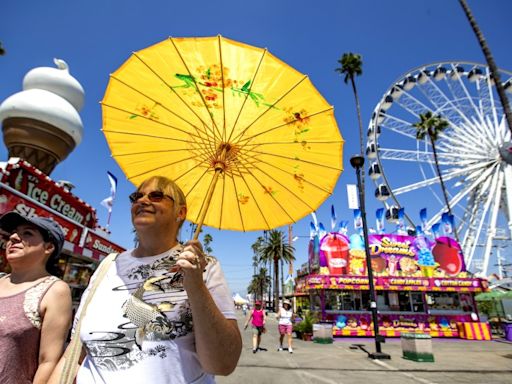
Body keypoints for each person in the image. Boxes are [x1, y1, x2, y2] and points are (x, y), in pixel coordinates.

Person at [50, 175, 242, 384]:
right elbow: (75, 351)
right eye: (136, 196)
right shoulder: (108, 265)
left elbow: (222, 363)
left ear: (181, 212)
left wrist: (196, 285)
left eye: (156, 196)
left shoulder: (205, 267)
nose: (142, 200)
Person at [0, 211, 72, 384]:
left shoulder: (54, 291)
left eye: (27, 233)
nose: (15, 238)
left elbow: (49, 361)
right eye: (14, 233)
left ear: (48, 247)